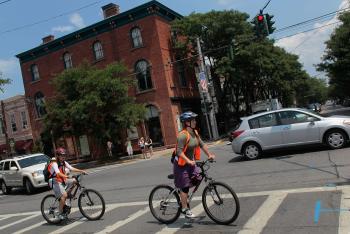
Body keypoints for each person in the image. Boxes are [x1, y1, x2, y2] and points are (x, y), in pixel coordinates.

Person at [173, 111, 215, 219]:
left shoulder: (195, 133)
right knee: (185, 187)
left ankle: (183, 195)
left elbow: (202, 144)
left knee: (198, 177)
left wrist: (209, 154)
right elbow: (179, 152)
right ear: (187, 123)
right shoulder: (182, 135)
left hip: (190, 162)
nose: (195, 122)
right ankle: (185, 208)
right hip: (181, 164)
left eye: (195, 120)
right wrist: (188, 160)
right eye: (193, 120)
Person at [48, 147, 87, 220]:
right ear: (58, 156)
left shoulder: (64, 162)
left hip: (62, 179)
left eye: (64, 155)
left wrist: (81, 171)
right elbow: (58, 173)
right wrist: (66, 176)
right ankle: (60, 214)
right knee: (64, 195)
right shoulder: (54, 163)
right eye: (61, 155)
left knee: (75, 181)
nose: (63, 157)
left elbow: (71, 168)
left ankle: (67, 194)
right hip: (55, 181)